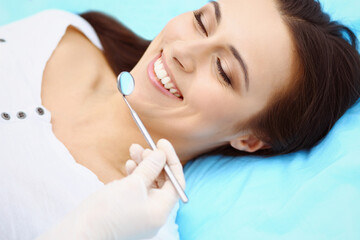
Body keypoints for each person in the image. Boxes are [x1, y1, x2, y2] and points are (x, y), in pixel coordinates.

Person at [1, 0, 359, 239]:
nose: (182, 52)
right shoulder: (63, 30)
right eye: (202, 22)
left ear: (250, 139)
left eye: (223, 70)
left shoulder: (137, 227)